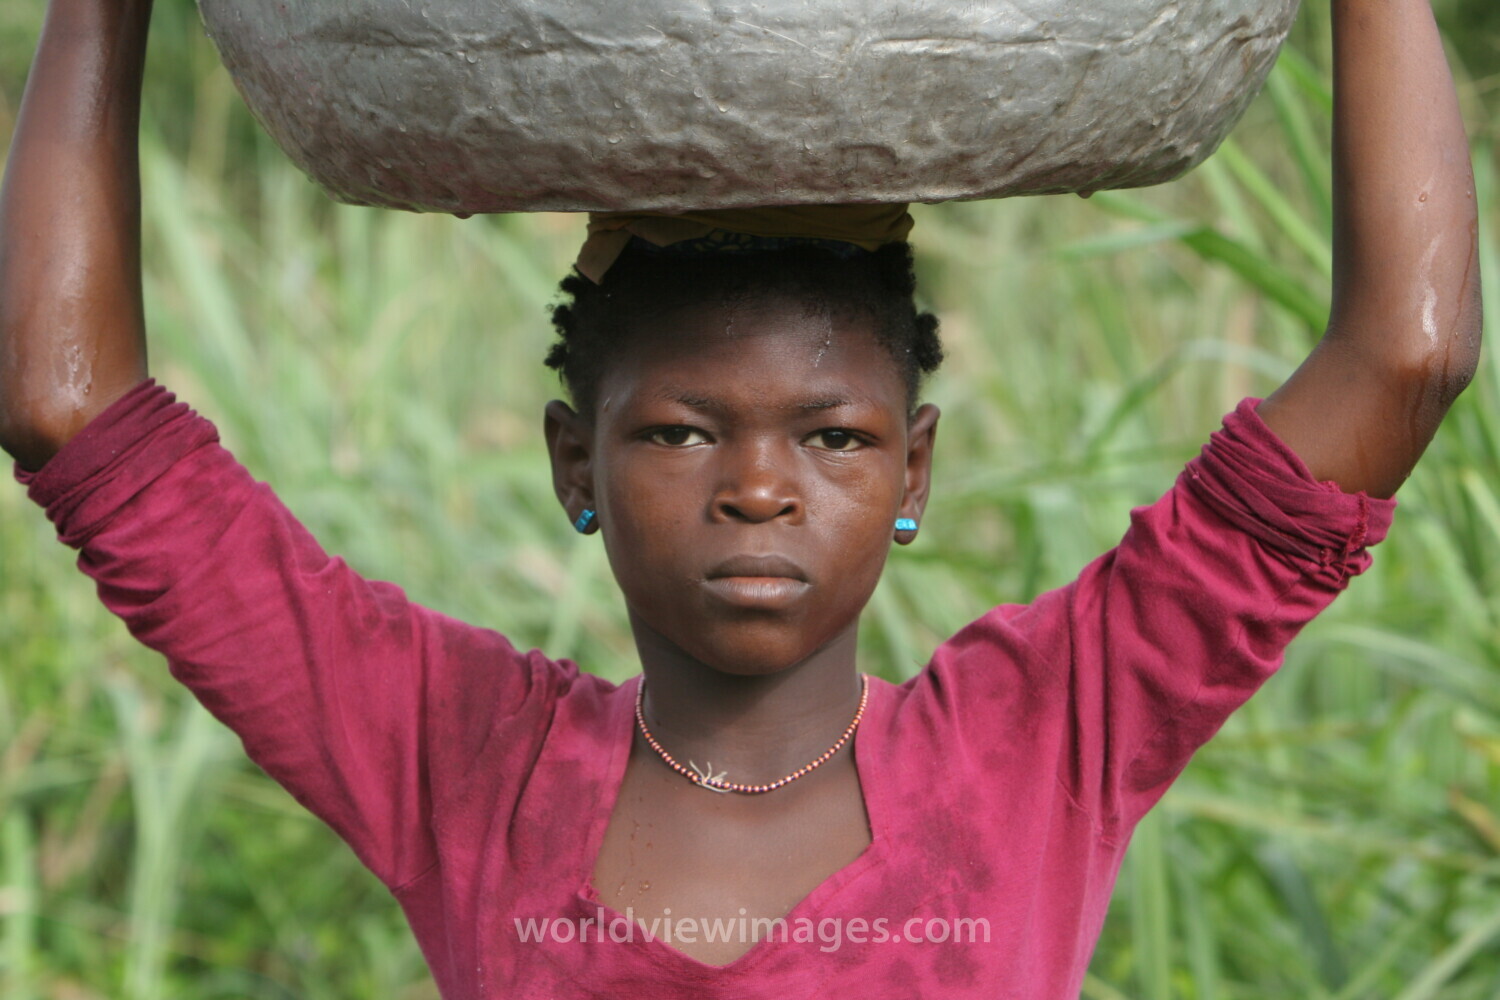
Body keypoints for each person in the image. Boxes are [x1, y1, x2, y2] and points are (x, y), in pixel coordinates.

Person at [0, 0, 1481, 997]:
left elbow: (1404, 356)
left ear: (917, 470)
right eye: (681, 434)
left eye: (834, 439)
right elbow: (69, 411)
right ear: (574, 463)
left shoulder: (1044, 742)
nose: (760, 490)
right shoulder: (454, 758)